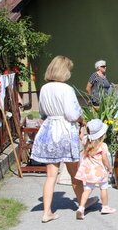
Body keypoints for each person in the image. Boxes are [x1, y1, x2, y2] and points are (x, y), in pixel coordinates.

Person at [31, 55, 89, 223]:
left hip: (49, 130)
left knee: (51, 176)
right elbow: (72, 114)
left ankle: (47, 212)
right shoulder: (66, 89)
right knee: (74, 173)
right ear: (64, 71)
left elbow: (42, 111)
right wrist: (81, 120)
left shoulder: (44, 88)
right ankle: (81, 204)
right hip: (64, 131)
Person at [74, 119, 116, 219]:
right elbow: (105, 159)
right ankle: (105, 207)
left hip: (89, 172)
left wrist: (81, 127)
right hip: (100, 172)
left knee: (87, 189)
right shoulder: (102, 146)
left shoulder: (85, 141)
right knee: (103, 188)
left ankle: (81, 208)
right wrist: (109, 168)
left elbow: (81, 136)